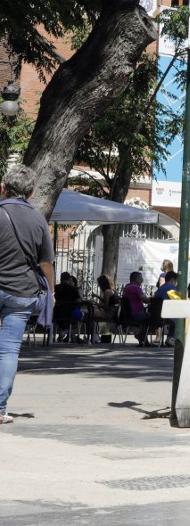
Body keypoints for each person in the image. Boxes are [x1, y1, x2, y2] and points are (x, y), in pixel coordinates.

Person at [0, 165, 56, 424]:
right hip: (22, 293)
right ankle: (0, 408)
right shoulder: (38, 221)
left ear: (3, 188)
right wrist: (52, 292)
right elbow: (46, 263)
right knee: (9, 351)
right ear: (31, 192)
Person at [121, 271, 152, 347]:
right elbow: (145, 300)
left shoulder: (127, 287)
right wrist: (155, 299)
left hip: (128, 314)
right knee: (152, 318)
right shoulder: (135, 288)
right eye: (141, 278)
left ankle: (142, 338)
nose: (142, 280)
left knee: (147, 316)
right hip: (136, 314)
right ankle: (141, 336)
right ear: (136, 279)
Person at [150, 271, 179, 346]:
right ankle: (170, 338)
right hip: (165, 315)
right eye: (176, 281)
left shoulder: (160, 288)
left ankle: (170, 338)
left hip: (155, 315)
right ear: (173, 280)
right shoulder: (171, 287)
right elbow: (179, 300)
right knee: (179, 317)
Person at [53, 272, 83, 342]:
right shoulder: (73, 289)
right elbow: (78, 300)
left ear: (61, 278)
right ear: (69, 279)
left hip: (56, 312)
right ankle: (69, 333)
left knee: (63, 319)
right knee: (80, 316)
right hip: (69, 313)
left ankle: (66, 333)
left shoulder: (55, 288)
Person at [92, 275, 117, 343]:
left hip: (109, 314)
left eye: (99, 284)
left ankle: (94, 336)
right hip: (114, 313)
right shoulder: (112, 290)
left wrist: (98, 305)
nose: (98, 285)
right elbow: (108, 302)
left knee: (91, 314)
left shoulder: (107, 292)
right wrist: (97, 297)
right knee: (94, 312)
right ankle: (96, 336)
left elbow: (106, 307)